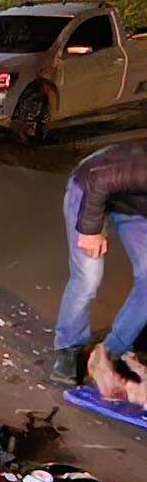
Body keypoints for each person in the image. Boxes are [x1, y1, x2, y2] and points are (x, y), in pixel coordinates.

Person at [51, 137, 147, 384]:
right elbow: (98, 180)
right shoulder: (139, 165)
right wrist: (90, 230)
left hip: (135, 206)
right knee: (88, 277)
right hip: (90, 187)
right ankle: (68, 346)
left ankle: (111, 351)